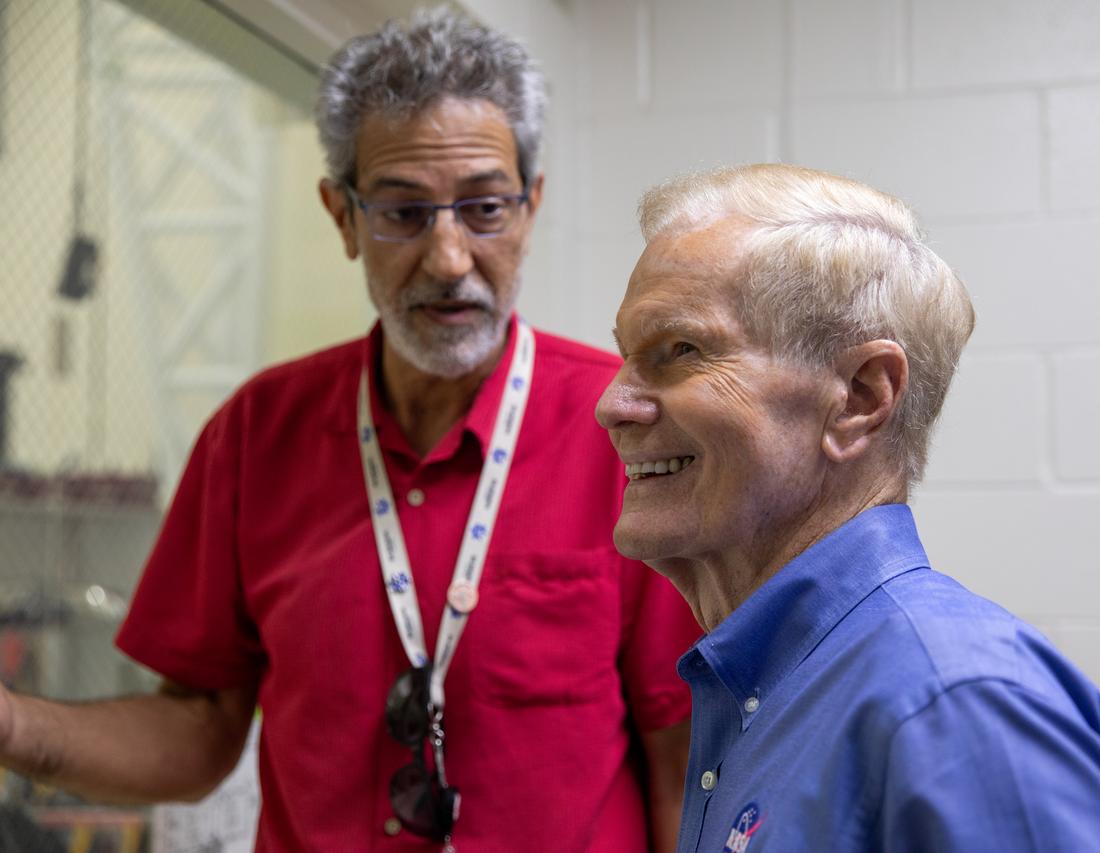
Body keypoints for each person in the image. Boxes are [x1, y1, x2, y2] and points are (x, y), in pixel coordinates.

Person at [0, 10, 701, 851]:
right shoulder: (256, 436)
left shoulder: (625, 433)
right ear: (341, 215)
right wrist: (14, 724)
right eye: (402, 213)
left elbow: (682, 751)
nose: (448, 257)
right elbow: (199, 725)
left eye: (483, 208)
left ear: (530, 207)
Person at [596, 163, 1100, 852]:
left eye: (679, 350)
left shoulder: (958, 702)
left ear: (861, 397)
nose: (612, 405)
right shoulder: (767, 688)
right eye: (627, 356)